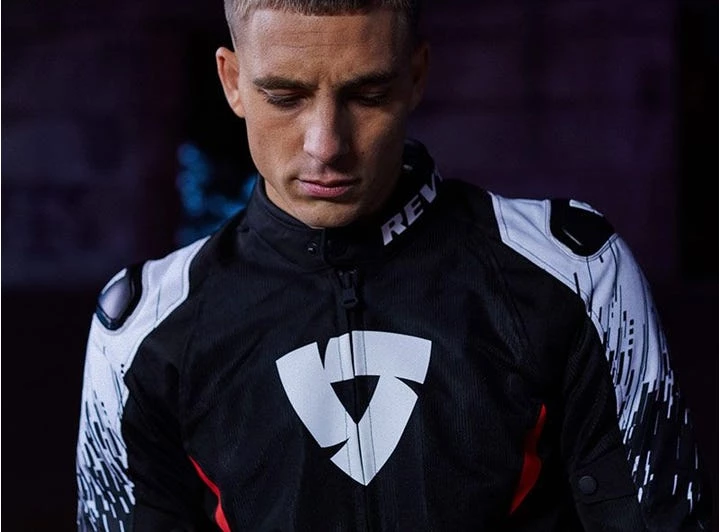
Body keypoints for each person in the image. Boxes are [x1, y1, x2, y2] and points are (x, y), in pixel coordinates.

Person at [75, 1, 710, 530]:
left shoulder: (576, 273)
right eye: (285, 97)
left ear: (416, 75)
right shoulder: (141, 332)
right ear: (233, 81)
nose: (326, 146)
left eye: (368, 94)